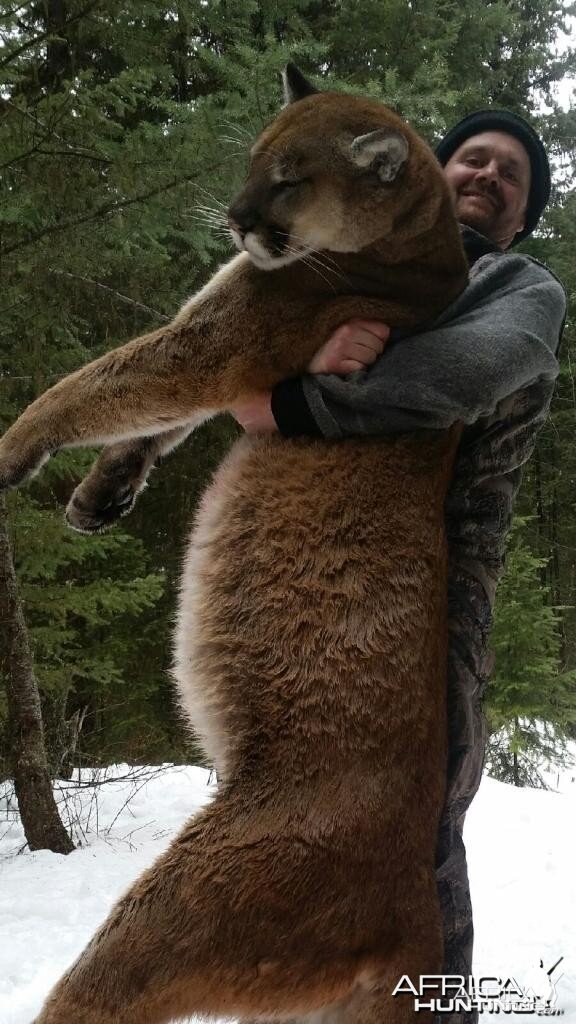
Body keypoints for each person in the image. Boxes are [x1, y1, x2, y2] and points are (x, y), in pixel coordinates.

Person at [232, 110, 567, 1023]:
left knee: (416, 843)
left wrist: (293, 402)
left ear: (522, 214)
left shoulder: (520, 289)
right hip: (302, 585)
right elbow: (238, 348)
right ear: (431, 172)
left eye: (513, 177)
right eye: (473, 159)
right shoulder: (343, 264)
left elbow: (454, 379)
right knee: (280, 827)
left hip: (430, 606)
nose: (490, 176)